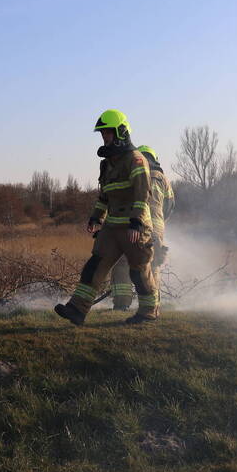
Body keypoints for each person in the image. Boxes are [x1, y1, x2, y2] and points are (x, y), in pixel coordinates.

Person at [55, 110, 159, 326]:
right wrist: (96, 218)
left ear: (121, 132)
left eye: (108, 133)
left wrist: (137, 223)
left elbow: (143, 194)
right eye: (102, 134)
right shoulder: (107, 163)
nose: (105, 137)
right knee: (95, 266)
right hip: (112, 227)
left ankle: (149, 312)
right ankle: (77, 310)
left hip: (134, 227)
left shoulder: (136, 159)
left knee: (139, 272)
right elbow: (105, 195)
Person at [110, 145, 175, 310]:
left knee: (122, 262)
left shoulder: (133, 173)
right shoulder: (162, 178)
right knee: (152, 265)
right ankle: (153, 305)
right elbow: (170, 205)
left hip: (134, 224)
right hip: (156, 229)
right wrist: (159, 222)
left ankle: (121, 303)